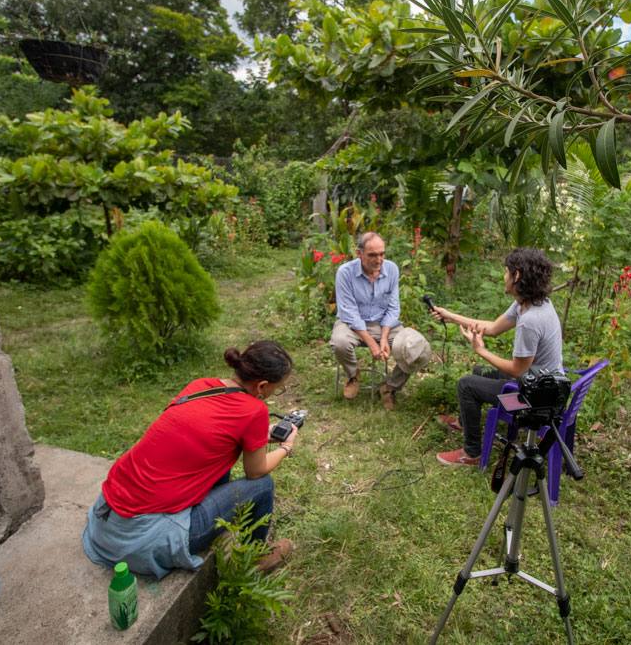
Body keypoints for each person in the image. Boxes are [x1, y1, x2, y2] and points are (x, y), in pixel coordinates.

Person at [82, 340, 299, 579]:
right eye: (277, 389)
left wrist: (259, 436)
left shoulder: (201, 386)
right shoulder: (254, 411)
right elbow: (255, 471)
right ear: (262, 386)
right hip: (143, 538)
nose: (273, 394)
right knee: (263, 485)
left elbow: (201, 433)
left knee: (220, 462)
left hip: (108, 519)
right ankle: (254, 558)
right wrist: (287, 447)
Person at [431, 248, 563, 467]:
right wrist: (451, 316)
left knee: (466, 385)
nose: (504, 276)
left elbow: (516, 370)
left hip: (534, 400)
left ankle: (472, 453)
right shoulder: (529, 303)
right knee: (478, 373)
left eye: (506, 272)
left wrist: (481, 350)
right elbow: (492, 328)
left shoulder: (531, 320)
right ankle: (465, 423)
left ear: (517, 275)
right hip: (539, 383)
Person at [330, 232, 431, 410]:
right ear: (359, 253)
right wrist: (372, 344)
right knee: (339, 342)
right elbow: (349, 312)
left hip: (384, 324)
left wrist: (383, 338)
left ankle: (389, 387)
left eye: (382, 254)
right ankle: (353, 375)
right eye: (372, 255)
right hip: (352, 324)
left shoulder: (391, 269)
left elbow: (393, 308)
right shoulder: (345, 273)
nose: (379, 260)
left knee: (418, 347)